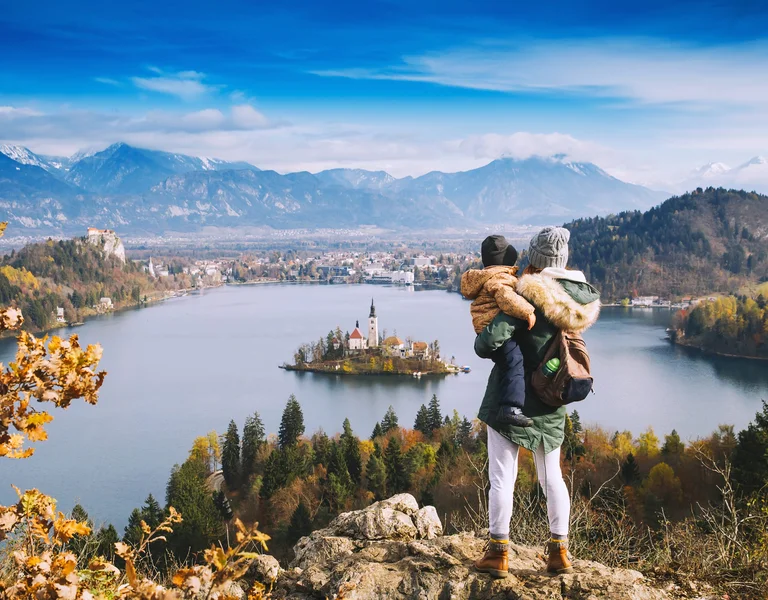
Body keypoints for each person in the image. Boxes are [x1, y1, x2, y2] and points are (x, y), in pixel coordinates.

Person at [472, 226, 601, 578]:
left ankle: (498, 553)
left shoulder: (526, 295)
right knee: (552, 478)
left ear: (536, 258)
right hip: (551, 400)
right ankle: (559, 552)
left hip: (508, 402)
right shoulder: (575, 301)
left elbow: (485, 345)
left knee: (502, 478)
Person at [461, 235, 536, 427]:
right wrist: (528, 312)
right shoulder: (499, 279)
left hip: (485, 328)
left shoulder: (486, 276)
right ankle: (510, 408)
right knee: (514, 361)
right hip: (494, 328)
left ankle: (508, 405)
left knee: (508, 363)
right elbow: (507, 299)